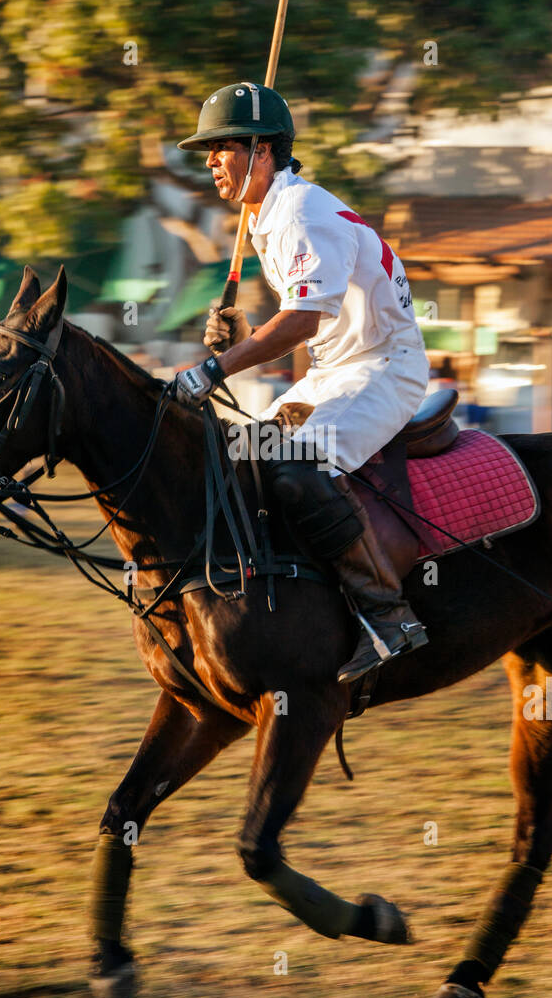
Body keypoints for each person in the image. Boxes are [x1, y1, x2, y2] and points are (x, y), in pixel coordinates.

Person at [174, 81, 430, 684]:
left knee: (294, 463)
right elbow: (308, 319)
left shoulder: (299, 211)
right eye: (207, 151)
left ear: (262, 151)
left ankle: (388, 618)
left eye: (223, 148)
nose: (210, 161)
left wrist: (215, 368)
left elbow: (305, 320)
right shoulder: (275, 212)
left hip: (383, 367)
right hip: (336, 369)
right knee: (244, 458)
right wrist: (243, 335)